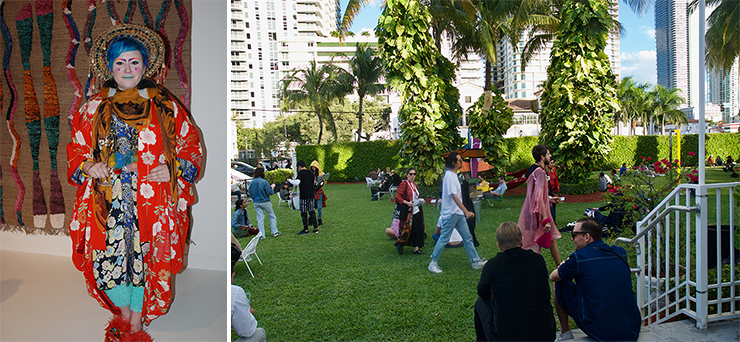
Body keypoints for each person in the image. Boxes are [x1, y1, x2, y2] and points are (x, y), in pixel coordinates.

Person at [67, 24, 201, 334]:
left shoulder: (166, 106)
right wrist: (88, 166)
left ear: (145, 65)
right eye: (120, 63)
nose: (127, 69)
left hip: (151, 200)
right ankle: (123, 313)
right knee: (107, 261)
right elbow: (75, 148)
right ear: (109, 67)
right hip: (105, 202)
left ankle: (135, 322)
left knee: (143, 259)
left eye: (134, 62)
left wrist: (175, 167)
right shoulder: (91, 109)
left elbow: (189, 145)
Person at [550, 218, 641, 341]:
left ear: (587, 237)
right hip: (631, 326)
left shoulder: (579, 258)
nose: (572, 239)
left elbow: (553, 276)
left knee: (559, 282)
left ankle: (565, 332)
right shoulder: (620, 252)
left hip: (600, 329)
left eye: (574, 234)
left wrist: (563, 266)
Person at [474, 222, 556, 342]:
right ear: (522, 240)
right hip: (545, 335)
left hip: (506, 337)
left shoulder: (492, 265)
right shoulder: (537, 260)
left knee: (480, 302)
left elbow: (482, 292)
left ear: (499, 246)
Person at [428, 152, 486, 273]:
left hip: (458, 213)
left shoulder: (454, 175)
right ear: (454, 162)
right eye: (459, 160)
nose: (461, 162)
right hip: (451, 214)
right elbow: (454, 196)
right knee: (444, 238)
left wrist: (463, 212)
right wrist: (466, 211)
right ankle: (433, 263)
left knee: (468, 237)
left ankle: (475, 261)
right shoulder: (449, 176)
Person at [518, 145, 562, 265]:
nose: (550, 156)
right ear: (542, 157)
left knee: (529, 241)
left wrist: (549, 199)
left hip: (529, 211)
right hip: (537, 213)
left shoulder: (532, 169)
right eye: (548, 154)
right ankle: (560, 267)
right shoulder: (540, 172)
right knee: (531, 242)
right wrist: (545, 219)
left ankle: (559, 266)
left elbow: (536, 195)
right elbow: (537, 197)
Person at [231, 245, 267, 342]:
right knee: (259, 333)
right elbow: (247, 331)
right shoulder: (235, 292)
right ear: (232, 274)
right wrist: (246, 312)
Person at [392, 167, 425, 254]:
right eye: (410, 174)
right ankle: (400, 244)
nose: (412, 176)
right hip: (408, 211)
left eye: (414, 174)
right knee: (406, 229)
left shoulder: (414, 185)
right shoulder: (404, 184)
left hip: (416, 209)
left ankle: (416, 248)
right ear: (407, 175)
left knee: (418, 229)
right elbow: (398, 197)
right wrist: (407, 203)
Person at [248, 167, 280, 238]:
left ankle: (262, 235)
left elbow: (250, 192)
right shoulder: (264, 182)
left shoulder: (252, 182)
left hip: (257, 202)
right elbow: (269, 192)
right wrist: (272, 188)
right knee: (272, 216)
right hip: (265, 201)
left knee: (260, 218)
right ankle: (274, 232)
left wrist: (254, 198)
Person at [291, 160, 318, 234]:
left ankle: (306, 229)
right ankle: (316, 227)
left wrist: (289, 180)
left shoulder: (301, 173)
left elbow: (297, 183)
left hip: (304, 196)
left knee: (304, 212)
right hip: (311, 195)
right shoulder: (311, 173)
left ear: (299, 166)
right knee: (312, 211)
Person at [310, 161, 328, 226]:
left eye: (314, 167)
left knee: (319, 207)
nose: (313, 168)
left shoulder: (321, 174)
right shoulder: (311, 174)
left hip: (319, 191)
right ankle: (311, 219)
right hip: (313, 192)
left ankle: (319, 219)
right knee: (312, 207)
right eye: (312, 167)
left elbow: (324, 182)